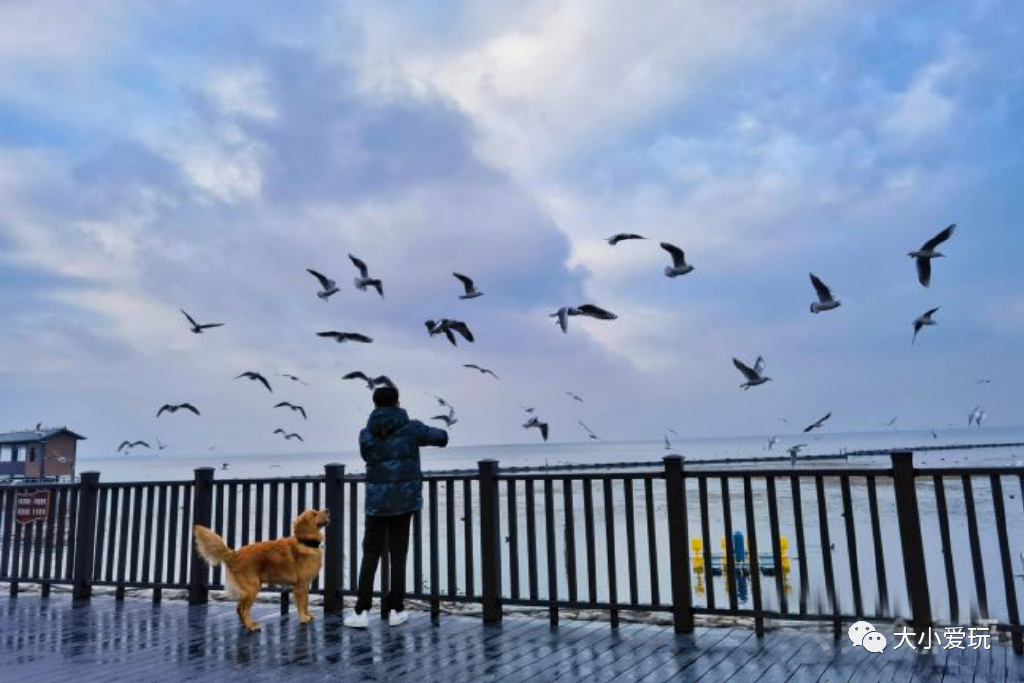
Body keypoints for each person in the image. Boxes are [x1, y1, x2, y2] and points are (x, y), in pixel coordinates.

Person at [344, 386, 448, 628]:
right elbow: (442, 438)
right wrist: (418, 430)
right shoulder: (411, 428)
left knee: (370, 555)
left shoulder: (365, 434)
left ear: (375, 404)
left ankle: (361, 612)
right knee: (398, 555)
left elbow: (367, 456)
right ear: (397, 402)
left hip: (376, 503)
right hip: (404, 501)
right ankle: (396, 610)